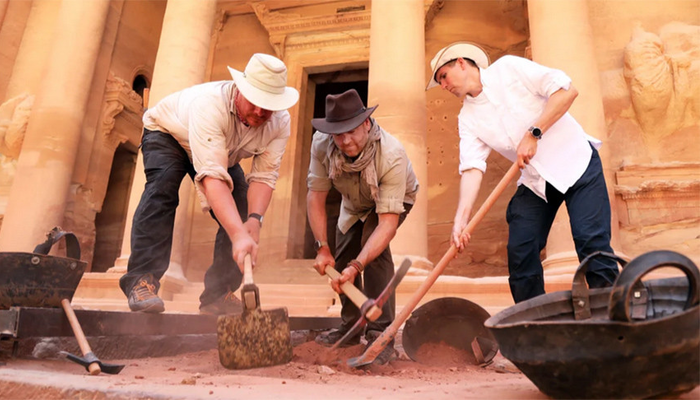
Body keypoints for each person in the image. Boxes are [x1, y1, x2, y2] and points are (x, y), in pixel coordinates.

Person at [427, 42, 619, 303]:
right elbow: (472, 167)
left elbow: (567, 91)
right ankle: (533, 329)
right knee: (521, 249)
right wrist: (461, 219)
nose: (443, 86)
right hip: (536, 182)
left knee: (591, 242)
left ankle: (613, 319)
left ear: (461, 63)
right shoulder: (467, 118)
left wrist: (534, 133)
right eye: (440, 82)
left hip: (577, 164)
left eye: (443, 76)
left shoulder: (509, 68)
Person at [120, 53, 299, 314]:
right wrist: (238, 236)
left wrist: (253, 220)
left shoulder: (280, 122)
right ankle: (141, 281)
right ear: (240, 89)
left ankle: (218, 295)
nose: (261, 112)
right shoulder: (210, 103)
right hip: (170, 134)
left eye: (269, 105)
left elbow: (264, 176)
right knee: (163, 190)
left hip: (220, 150)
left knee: (238, 208)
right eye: (256, 102)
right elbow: (213, 177)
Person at [307, 89, 419, 364]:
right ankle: (351, 326)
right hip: (352, 203)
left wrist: (358, 266)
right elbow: (316, 196)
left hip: (392, 201)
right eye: (338, 134)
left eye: (352, 131)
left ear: (367, 124)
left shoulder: (391, 154)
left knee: (374, 252)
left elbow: (387, 224)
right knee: (342, 254)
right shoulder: (322, 144)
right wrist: (322, 248)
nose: (345, 141)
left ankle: (382, 334)